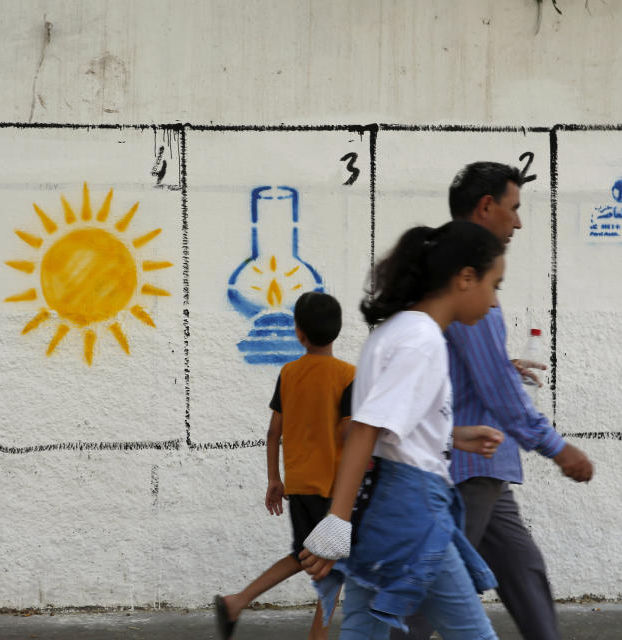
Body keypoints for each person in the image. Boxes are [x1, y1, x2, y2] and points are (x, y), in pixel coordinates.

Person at [393, 162, 595, 640]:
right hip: (468, 465)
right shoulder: (470, 280)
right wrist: (558, 449)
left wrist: (503, 366)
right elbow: (499, 396)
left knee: (524, 573)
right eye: (514, 208)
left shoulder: (447, 272)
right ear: (487, 207)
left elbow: (476, 369)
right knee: (429, 591)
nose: (519, 222)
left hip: (483, 463)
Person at [299, 220, 508, 639]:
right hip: (412, 510)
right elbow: (365, 429)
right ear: (466, 278)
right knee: (473, 634)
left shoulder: (395, 331)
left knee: (364, 629)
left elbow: (390, 428)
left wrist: (452, 435)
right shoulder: (422, 340)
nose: (495, 300)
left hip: (379, 504)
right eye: (495, 284)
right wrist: (336, 521)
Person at [215, 291, 356, 640]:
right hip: (333, 488)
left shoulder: (289, 373)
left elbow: (273, 431)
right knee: (329, 563)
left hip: (299, 484)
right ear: (337, 331)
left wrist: (274, 479)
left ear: (298, 333)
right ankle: (316, 635)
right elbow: (350, 433)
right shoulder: (348, 375)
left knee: (306, 556)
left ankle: (237, 602)